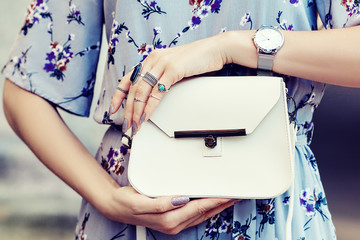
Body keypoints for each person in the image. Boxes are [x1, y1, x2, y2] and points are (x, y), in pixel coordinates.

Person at [2, 0, 359, 239]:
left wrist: (230, 47)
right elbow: (25, 87)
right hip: (130, 205)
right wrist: (107, 198)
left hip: (272, 202)